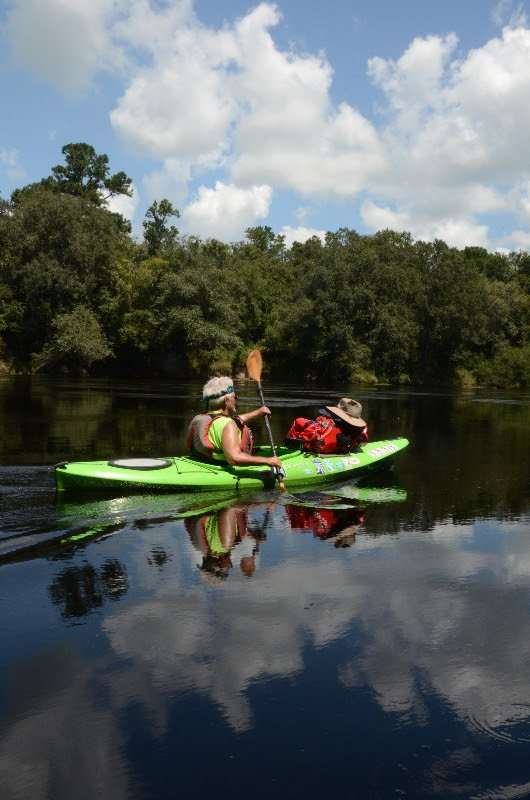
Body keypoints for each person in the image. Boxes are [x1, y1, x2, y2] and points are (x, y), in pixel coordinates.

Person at [186, 376, 283, 469]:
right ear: (227, 400)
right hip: (222, 467)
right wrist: (269, 461)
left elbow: (236, 419)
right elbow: (234, 459)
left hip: (204, 462)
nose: (236, 399)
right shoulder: (228, 425)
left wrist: (259, 412)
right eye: (235, 397)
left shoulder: (207, 418)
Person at [285, 397, 368, 455]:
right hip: (345, 448)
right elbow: (364, 441)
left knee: (300, 421)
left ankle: (293, 447)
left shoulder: (326, 422)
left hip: (317, 448)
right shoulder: (359, 430)